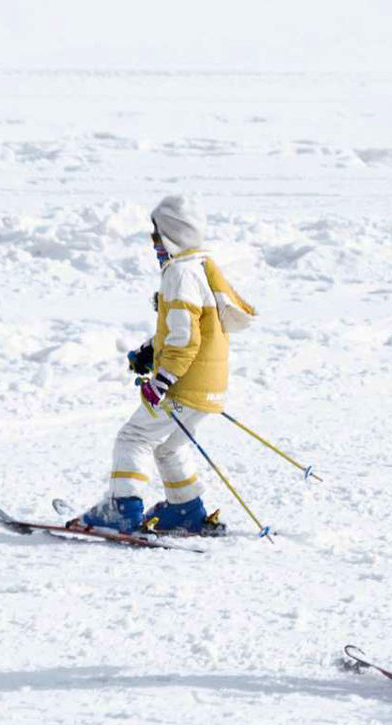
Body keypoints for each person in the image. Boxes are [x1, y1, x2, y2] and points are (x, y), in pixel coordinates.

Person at [80, 195, 255, 533]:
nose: (154, 244)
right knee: (171, 446)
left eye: (157, 235)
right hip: (209, 386)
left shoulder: (179, 274)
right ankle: (186, 509)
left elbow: (185, 339)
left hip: (182, 383)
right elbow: (187, 329)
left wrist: (162, 380)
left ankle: (121, 509)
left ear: (172, 234)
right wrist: (149, 351)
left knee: (133, 437)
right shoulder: (203, 267)